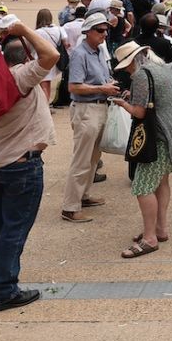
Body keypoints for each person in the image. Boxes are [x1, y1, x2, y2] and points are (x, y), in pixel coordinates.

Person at [0, 19, 59, 311]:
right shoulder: (22, 77)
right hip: (22, 164)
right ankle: (5, 290)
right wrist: (24, 31)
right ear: (23, 58)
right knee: (14, 229)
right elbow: (51, 56)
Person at [110, 41, 172, 258]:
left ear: (132, 62)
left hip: (161, 134)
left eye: (126, 65)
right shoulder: (161, 68)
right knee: (161, 181)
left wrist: (123, 104)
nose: (126, 69)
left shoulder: (141, 76)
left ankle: (149, 238)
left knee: (143, 185)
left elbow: (139, 113)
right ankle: (160, 228)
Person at [61, 12, 117, 222]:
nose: (105, 34)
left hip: (99, 106)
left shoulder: (98, 51)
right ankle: (70, 206)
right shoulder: (80, 53)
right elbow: (73, 86)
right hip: (86, 109)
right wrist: (103, 87)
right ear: (88, 32)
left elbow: (101, 77)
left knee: (93, 159)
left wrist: (109, 85)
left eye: (106, 30)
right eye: (100, 30)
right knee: (82, 160)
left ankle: (82, 196)